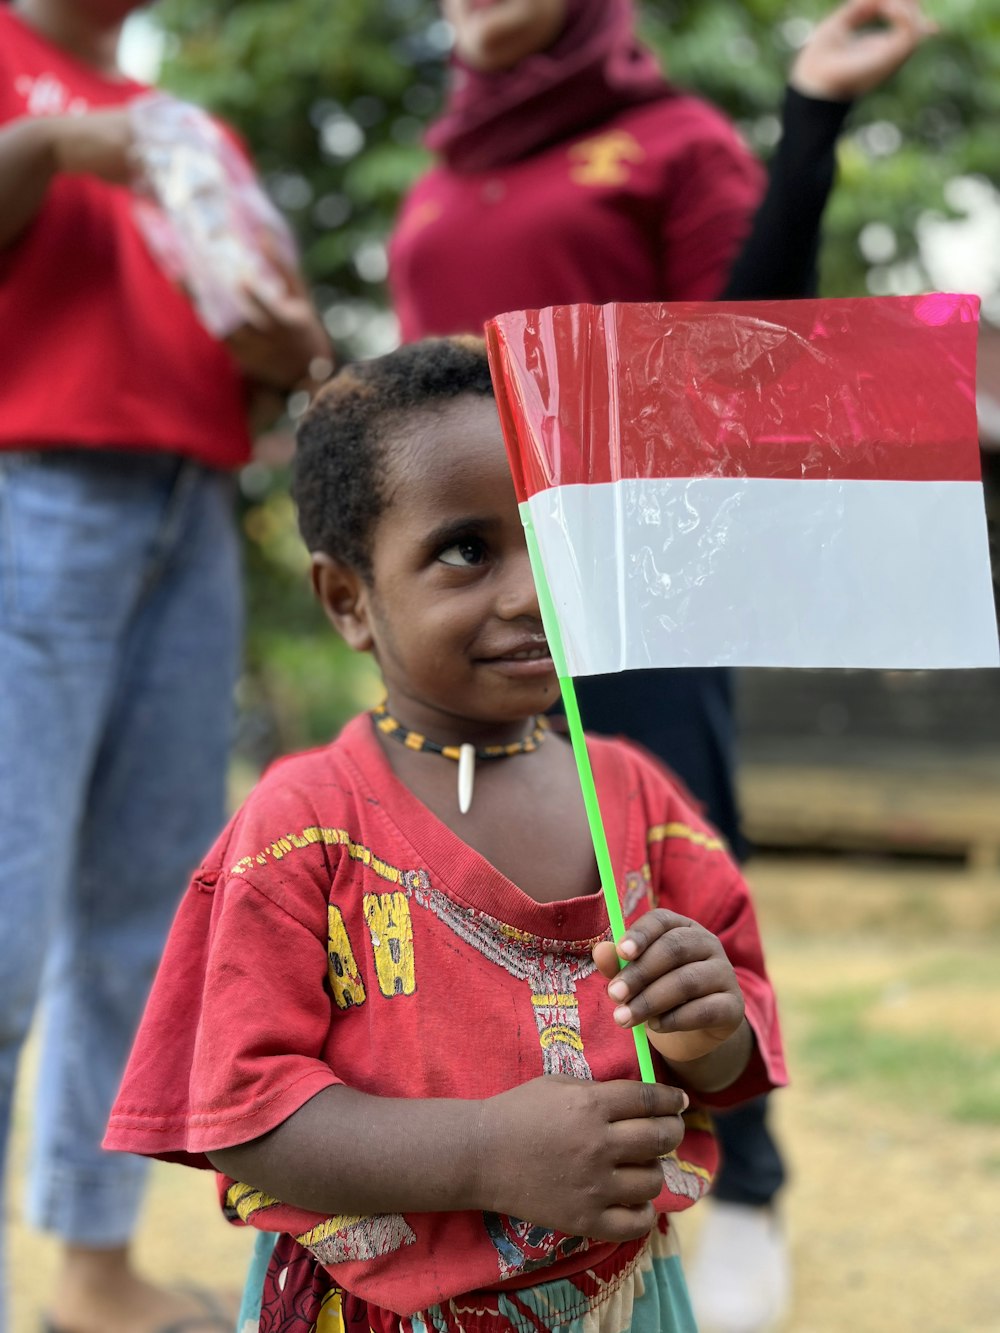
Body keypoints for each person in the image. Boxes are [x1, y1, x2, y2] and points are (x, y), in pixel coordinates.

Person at [387, 3, 934, 1328]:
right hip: (465, 576)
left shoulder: (668, 141)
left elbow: (756, 340)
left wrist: (809, 113)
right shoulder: (448, 164)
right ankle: (545, 1167)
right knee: (474, 867)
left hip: (634, 570)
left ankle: (741, 1182)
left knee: (663, 864)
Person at [105, 336, 787, 1333]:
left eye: (550, 544)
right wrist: (484, 1150)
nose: (528, 593)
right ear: (348, 600)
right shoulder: (301, 827)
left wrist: (705, 1032)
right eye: (466, 550)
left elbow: (723, 1073)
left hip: (623, 1297)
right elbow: (245, 1115)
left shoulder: (638, 801)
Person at [0, 2, 330, 1331]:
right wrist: (63, 147)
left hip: (193, 503)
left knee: (150, 911)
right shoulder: (58, 101)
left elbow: (267, 339)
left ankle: (91, 1263)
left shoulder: (197, 133)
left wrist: (281, 350)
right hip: (30, 490)